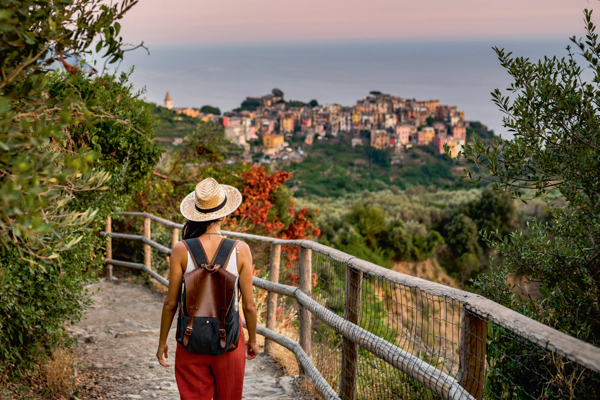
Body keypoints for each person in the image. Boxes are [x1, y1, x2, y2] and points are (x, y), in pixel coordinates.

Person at [156, 178, 259, 400]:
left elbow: (171, 303)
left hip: (189, 340)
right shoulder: (241, 250)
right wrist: (253, 339)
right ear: (224, 214)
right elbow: (249, 305)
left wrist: (162, 341)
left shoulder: (181, 250)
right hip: (229, 340)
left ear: (196, 213)